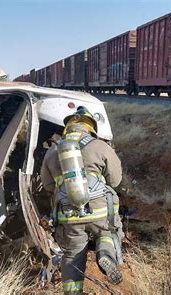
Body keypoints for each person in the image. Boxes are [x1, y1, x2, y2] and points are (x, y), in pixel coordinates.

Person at [41, 107, 124, 294]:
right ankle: (105, 254)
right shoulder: (101, 146)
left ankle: (72, 291)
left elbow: (47, 185)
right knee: (108, 233)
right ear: (91, 127)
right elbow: (116, 180)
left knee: (71, 255)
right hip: (101, 212)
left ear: (68, 128)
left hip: (69, 214)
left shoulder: (53, 151)